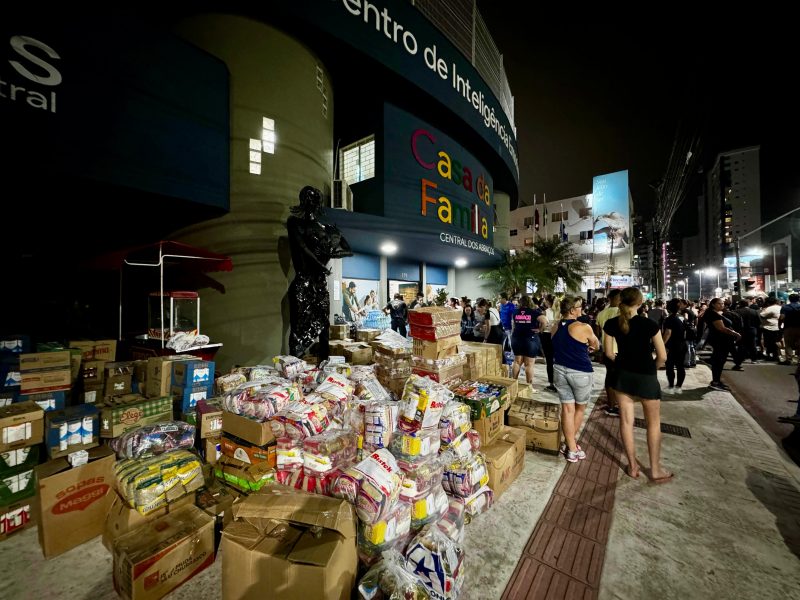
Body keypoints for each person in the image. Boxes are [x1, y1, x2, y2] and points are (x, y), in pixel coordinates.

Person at [603, 287, 670, 482]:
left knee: (626, 423)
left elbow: (608, 354)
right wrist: (653, 367)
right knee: (653, 424)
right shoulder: (649, 324)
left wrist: (622, 363)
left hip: (623, 377)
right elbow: (663, 356)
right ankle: (655, 469)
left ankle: (632, 466)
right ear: (640, 303)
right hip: (646, 377)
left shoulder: (611, 324)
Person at [287, 186, 352, 358]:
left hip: (320, 283)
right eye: (308, 199)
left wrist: (331, 253)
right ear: (302, 201)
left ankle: (324, 363)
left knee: (324, 324)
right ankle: (295, 368)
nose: (311, 203)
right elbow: (301, 246)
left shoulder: (327, 228)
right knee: (298, 329)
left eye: (314, 199)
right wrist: (320, 263)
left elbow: (348, 249)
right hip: (303, 282)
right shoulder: (295, 222)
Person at [551, 296, 599, 462]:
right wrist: (590, 346)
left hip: (559, 370)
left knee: (567, 409)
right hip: (580, 372)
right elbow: (596, 344)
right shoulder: (583, 327)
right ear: (572, 310)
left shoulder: (554, 326)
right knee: (579, 408)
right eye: (579, 307)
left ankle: (570, 445)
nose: (582, 310)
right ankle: (571, 447)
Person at [705, 297, 742, 390]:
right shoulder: (713, 314)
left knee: (720, 361)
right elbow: (721, 328)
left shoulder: (715, 313)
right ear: (713, 304)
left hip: (722, 340)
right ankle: (715, 382)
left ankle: (717, 381)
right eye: (719, 303)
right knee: (719, 361)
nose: (722, 305)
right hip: (720, 340)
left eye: (722, 304)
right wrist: (735, 334)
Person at [510, 296, 547, 388]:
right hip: (530, 339)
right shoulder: (534, 312)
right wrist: (540, 330)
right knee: (529, 364)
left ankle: (513, 384)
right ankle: (529, 387)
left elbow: (513, 325)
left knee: (517, 361)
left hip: (516, 338)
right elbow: (545, 321)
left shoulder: (515, 312)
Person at [596, 289, 621, 416]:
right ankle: (615, 405)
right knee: (617, 378)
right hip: (619, 350)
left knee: (610, 377)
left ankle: (612, 404)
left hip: (607, 349)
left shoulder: (601, 314)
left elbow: (598, 332)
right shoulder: (620, 312)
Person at [662, 298, 687, 394]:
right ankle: (679, 387)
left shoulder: (670, 319)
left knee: (670, 366)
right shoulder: (682, 317)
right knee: (680, 366)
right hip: (682, 344)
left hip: (672, 345)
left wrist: (661, 345)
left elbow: (668, 333)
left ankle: (671, 387)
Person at [540, 295, 557, 392]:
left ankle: (551, 383)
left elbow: (543, 325)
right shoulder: (559, 312)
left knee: (549, 360)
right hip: (557, 336)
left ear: (547, 302)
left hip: (547, 336)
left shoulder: (546, 312)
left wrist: (540, 330)